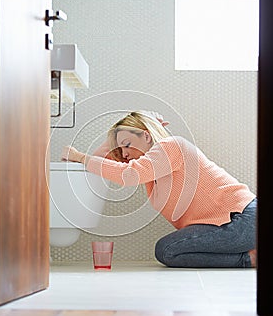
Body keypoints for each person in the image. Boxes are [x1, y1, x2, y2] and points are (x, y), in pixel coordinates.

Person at [62, 111, 257, 268]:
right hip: (226, 225)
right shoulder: (151, 169)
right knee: (168, 252)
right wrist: (114, 139)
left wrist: (80, 157)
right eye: (120, 149)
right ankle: (252, 255)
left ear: (146, 135)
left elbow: (128, 175)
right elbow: (100, 161)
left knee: (166, 249)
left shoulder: (171, 146)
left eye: (127, 145)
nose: (124, 153)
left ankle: (252, 259)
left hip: (242, 219)